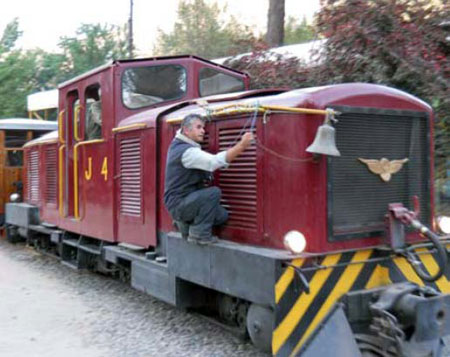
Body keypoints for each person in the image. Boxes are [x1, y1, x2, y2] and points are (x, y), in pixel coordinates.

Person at [164, 114, 253, 244]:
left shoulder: (179, 143)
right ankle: (198, 235)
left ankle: (185, 225)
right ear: (186, 130)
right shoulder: (187, 151)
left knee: (221, 216)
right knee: (213, 193)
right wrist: (241, 146)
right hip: (179, 204)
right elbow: (213, 162)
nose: (203, 131)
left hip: (183, 201)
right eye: (198, 127)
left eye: (203, 127)